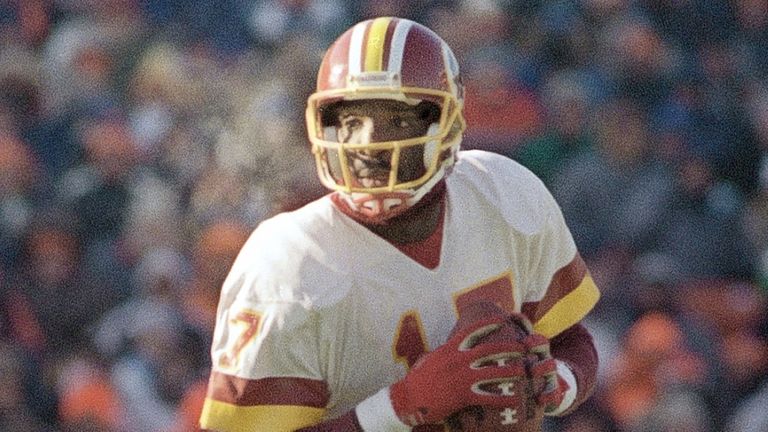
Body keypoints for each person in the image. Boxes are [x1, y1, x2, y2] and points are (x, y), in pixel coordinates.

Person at [199, 17, 600, 431]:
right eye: (352, 123)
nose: (368, 145)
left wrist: (557, 384)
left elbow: (571, 339)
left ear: (445, 123)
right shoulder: (287, 264)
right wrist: (402, 405)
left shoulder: (504, 194)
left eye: (397, 121)